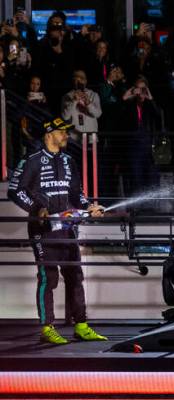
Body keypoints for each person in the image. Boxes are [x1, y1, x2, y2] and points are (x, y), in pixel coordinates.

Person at [8, 117, 106, 345]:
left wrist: (88, 207)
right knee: (47, 278)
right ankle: (47, 328)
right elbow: (15, 190)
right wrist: (37, 208)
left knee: (75, 276)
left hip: (68, 229)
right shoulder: (31, 160)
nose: (66, 135)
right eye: (62, 131)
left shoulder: (69, 160)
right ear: (49, 134)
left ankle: (81, 325)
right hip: (43, 230)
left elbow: (76, 194)